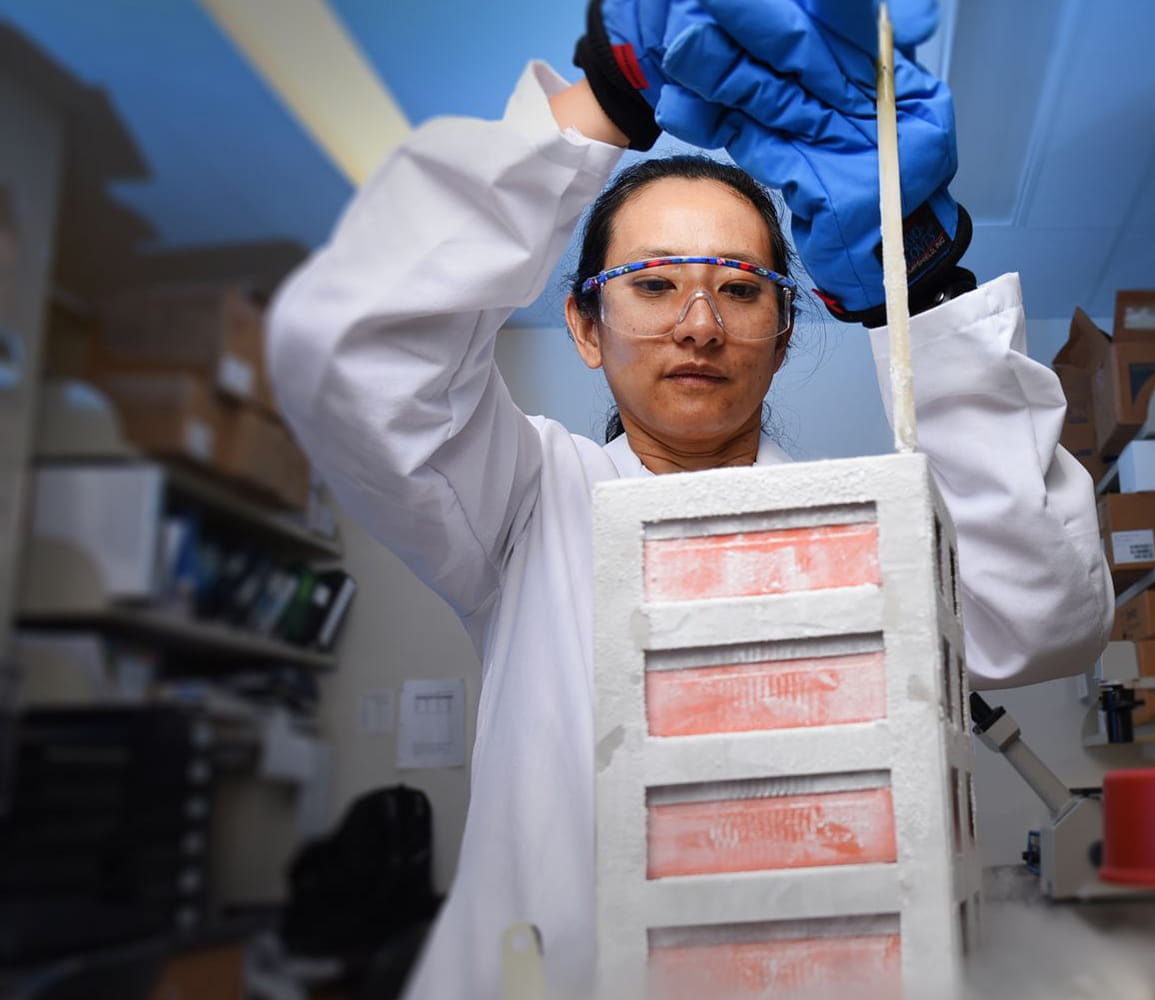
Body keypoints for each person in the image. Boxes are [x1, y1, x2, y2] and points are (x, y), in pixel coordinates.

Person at [265, 2, 1111, 997]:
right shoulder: (528, 499)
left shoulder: (854, 523)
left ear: (786, 331)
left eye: (743, 290)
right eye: (654, 285)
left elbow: (1044, 617)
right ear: (585, 326)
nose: (700, 324)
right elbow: (346, 347)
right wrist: (609, 93)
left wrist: (913, 283)